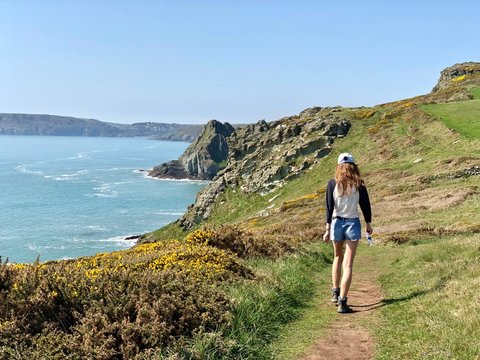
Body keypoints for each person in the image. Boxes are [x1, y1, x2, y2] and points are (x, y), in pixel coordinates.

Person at [323, 153, 373, 313]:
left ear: (339, 166)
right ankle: (342, 303)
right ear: (353, 166)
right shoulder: (360, 184)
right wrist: (368, 224)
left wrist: (327, 228)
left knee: (337, 257)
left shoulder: (332, 183)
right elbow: (365, 205)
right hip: (352, 223)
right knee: (348, 264)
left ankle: (335, 292)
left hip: (337, 222)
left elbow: (329, 207)